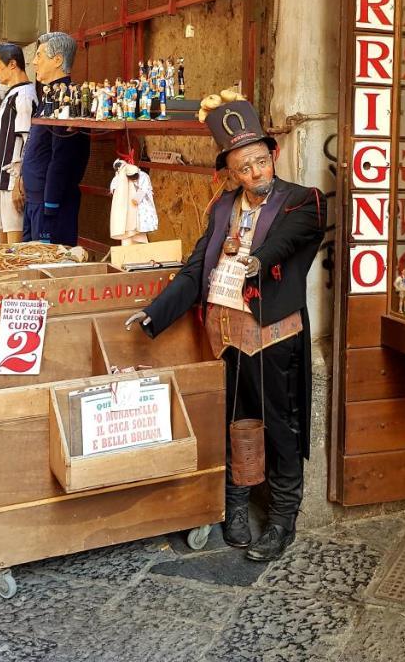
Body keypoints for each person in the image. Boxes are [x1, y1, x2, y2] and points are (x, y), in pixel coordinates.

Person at [123, 93, 325, 562]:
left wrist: (254, 258)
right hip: (224, 334)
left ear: (272, 155)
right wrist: (156, 313)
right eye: (243, 168)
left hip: (274, 336)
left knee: (280, 425)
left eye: (259, 162)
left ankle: (281, 519)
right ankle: (235, 505)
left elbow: (284, 244)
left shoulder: (303, 201)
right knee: (233, 421)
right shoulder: (221, 209)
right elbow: (198, 268)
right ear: (230, 172)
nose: (254, 174)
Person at [21, 32, 90, 245]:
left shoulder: (67, 100)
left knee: (49, 266)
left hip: (50, 205)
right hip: (34, 201)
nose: (34, 62)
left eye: (40, 56)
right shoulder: (48, 97)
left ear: (58, 60)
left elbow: (62, 159)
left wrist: (51, 203)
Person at [0, 43, 37, 244]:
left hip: (11, 182)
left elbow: (27, 141)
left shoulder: (24, 96)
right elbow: (1, 142)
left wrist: (19, 183)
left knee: (14, 250)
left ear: (12, 64)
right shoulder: (11, 95)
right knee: (2, 249)